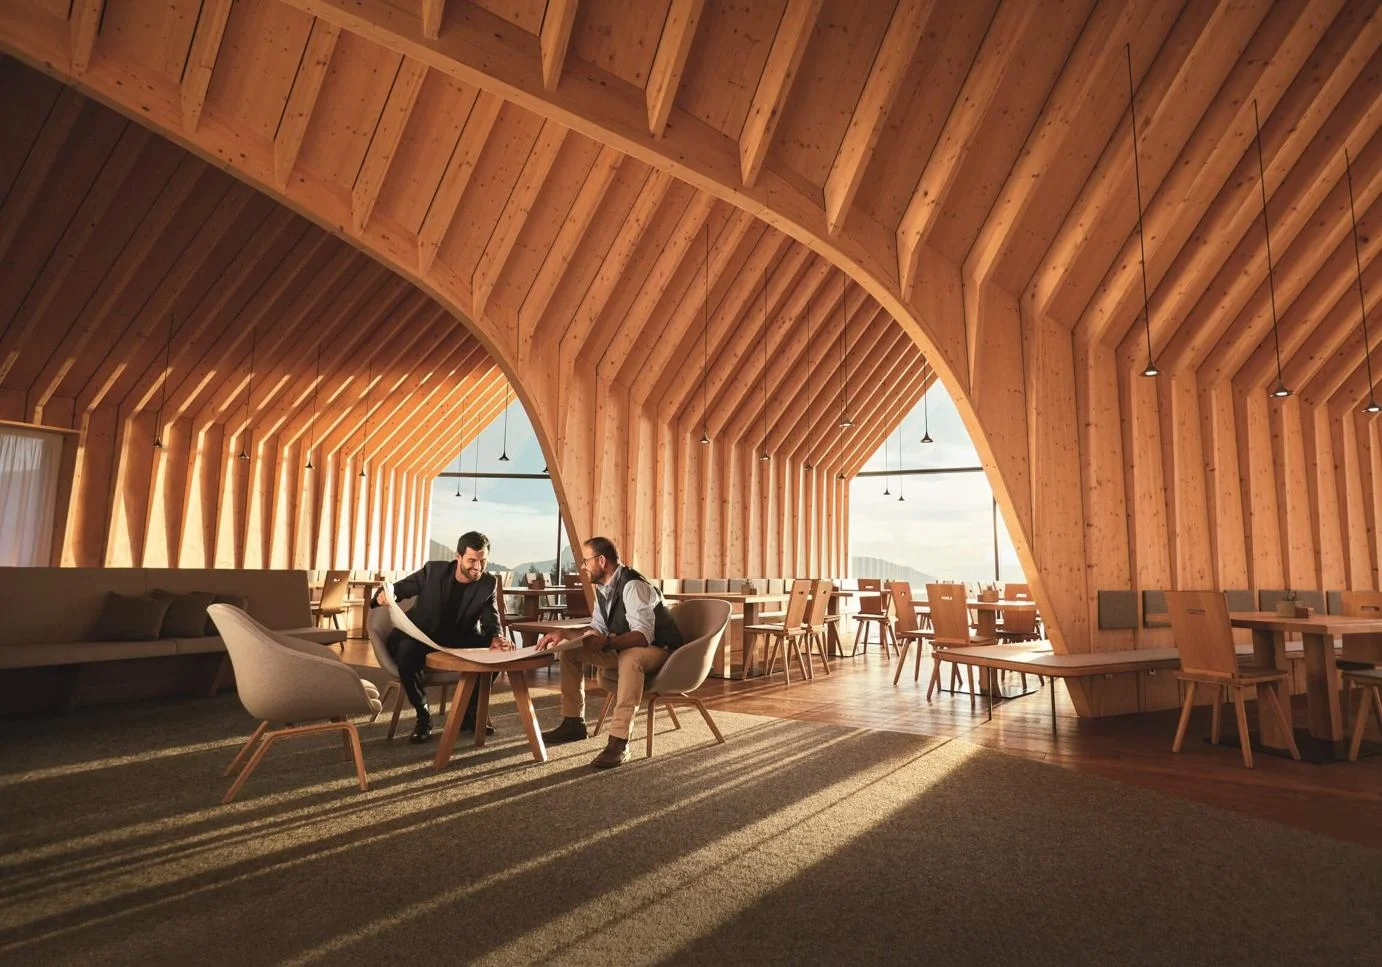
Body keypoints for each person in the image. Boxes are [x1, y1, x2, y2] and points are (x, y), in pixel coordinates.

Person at [537, 536, 683, 768]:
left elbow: (643, 636)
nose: (583, 567)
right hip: (626, 647)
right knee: (571, 653)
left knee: (631, 658)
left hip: (662, 651)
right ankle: (573, 722)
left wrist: (606, 642)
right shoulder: (603, 588)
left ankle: (619, 741)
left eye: (586, 561)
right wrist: (567, 635)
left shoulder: (633, 586)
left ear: (602, 560)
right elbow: (597, 628)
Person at [371, 531, 513, 743]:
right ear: (458, 557)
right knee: (407, 651)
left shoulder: (487, 584)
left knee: (496, 653)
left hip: (456, 639)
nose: (477, 567)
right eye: (472, 560)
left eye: (482, 561)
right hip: (418, 636)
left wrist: (496, 637)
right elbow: (398, 589)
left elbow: (490, 618)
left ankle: (469, 713)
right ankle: (423, 716)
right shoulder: (433, 571)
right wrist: (383, 595)